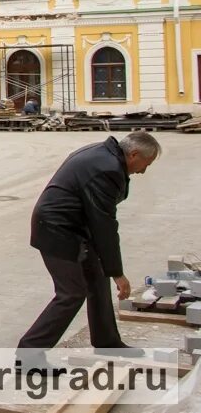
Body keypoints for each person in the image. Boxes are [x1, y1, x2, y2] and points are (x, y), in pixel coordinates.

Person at [16, 132, 161, 362]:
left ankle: (107, 342)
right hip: (57, 229)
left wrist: (108, 268)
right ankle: (29, 352)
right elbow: (104, 224)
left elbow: (96, 220)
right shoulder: (108, 169)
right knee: (72, 292)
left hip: (74, 227)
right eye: (146, 164)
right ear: (133, 154)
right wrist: (118, 273)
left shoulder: (105, 155)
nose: (143, 171)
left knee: (97, 277)